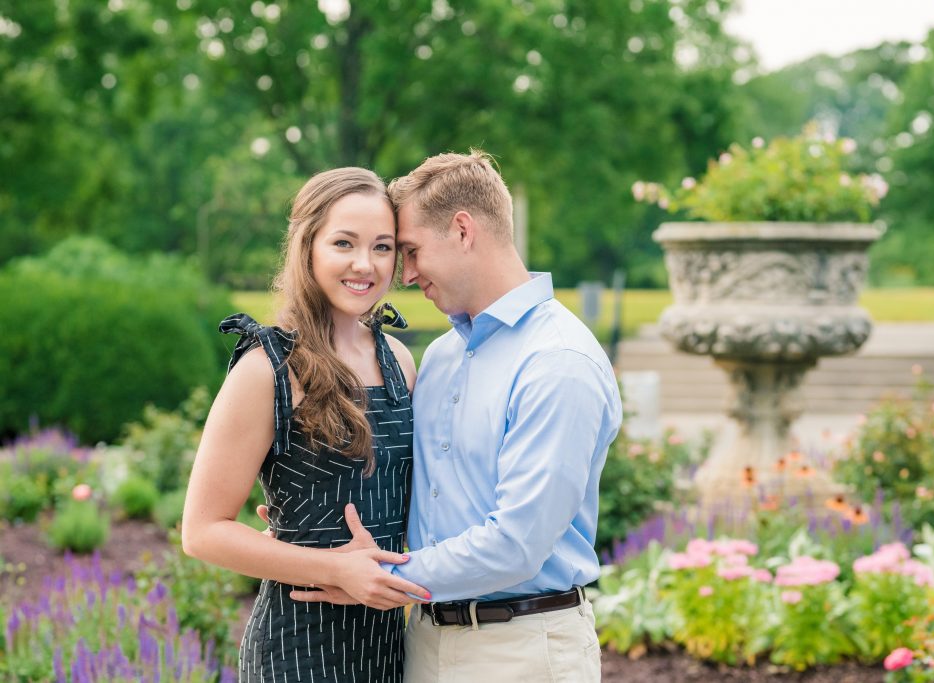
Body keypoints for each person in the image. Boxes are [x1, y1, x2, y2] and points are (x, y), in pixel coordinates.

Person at [293, 151, 622, 682]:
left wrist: (374, 577)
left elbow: (517, 544)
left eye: (410, 251)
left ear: (463, 230)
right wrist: (309, 526)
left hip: (522, 650)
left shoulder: (558, 361)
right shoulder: (443, 357)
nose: (406, 274)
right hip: (423, 641)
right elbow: (413, 486)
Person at [181, 167, 430, 683]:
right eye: (344, 243)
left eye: (383, 247)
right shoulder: (267, 369)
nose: (365, 264)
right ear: (307, 246)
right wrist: (333, 567)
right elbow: (202, 531)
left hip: (389, 649)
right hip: (298, 651)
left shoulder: (399, 360)